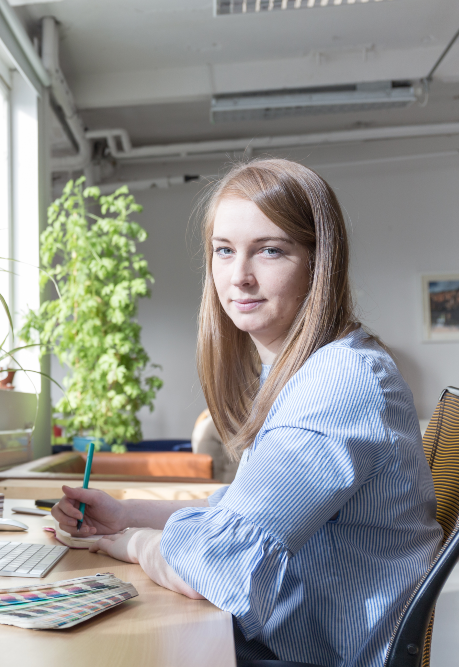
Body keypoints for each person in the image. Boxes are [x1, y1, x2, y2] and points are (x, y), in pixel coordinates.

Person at [51, 159, 442, 667]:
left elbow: (211, 565)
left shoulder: (340, 384)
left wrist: (128, 542)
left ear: (319, 262)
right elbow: (240, 510)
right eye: (224, 251)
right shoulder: (300, 372)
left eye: (271, 250)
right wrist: (126, 515)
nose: (239, 277)